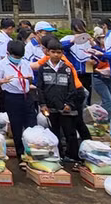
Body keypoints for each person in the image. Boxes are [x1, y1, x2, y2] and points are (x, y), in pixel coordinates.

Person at [35, 37, 81, 165]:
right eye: (53, 52)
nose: (56, 55)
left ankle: (73, 157)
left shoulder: (67, 69)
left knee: (69, 132)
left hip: (65, 107)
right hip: (50, 107)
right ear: (48, 52)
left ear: (62, 53)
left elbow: (72, 88)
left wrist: (68, 104)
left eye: (59, 52)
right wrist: (43, 104)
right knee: (53, 132)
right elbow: (40, 88)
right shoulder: (43, 68)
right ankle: (57, 155)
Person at [0, 39, 35, 168]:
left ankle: (33, 155)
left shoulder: (25, 63)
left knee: (32, 126)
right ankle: (21, 156)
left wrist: (29, 79)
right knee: (16, 127)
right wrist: (3, 81)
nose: (17, 59)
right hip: (12, 97)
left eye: (19, 57)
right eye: (15, 56)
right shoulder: (1, 65)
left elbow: (31, 80)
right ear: (8, 53)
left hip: (26, 96)